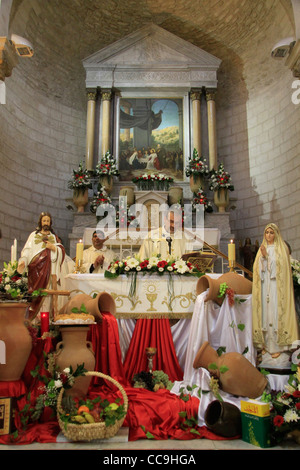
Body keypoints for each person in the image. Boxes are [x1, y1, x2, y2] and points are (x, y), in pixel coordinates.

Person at [252, 223, 299, 367]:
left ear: (276, 234)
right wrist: (262, 258)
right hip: (264, 287)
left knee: (275, 315)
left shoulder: (281, 249)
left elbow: (281, 270)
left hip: (276, 289)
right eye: (266, 233)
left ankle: (278, 347)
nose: (269, 235)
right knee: (265, 316)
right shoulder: (261, 249)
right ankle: (266, 345)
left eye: (271, 233)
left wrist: (268, 258)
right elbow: (257, 271)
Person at [18, 211, 67, 319]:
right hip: (36, 272)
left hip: (50, 272)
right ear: (40, 222)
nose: (46, 223)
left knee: (48, 295)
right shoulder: (33, 236)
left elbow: (61, 250)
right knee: (37, 295)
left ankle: (47, 321)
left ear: (50, 223)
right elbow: (27, 250)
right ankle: (35, 321)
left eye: (48, 221)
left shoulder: (54, 237)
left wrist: (54, 248)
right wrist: (23, 261)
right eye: (44, 220)